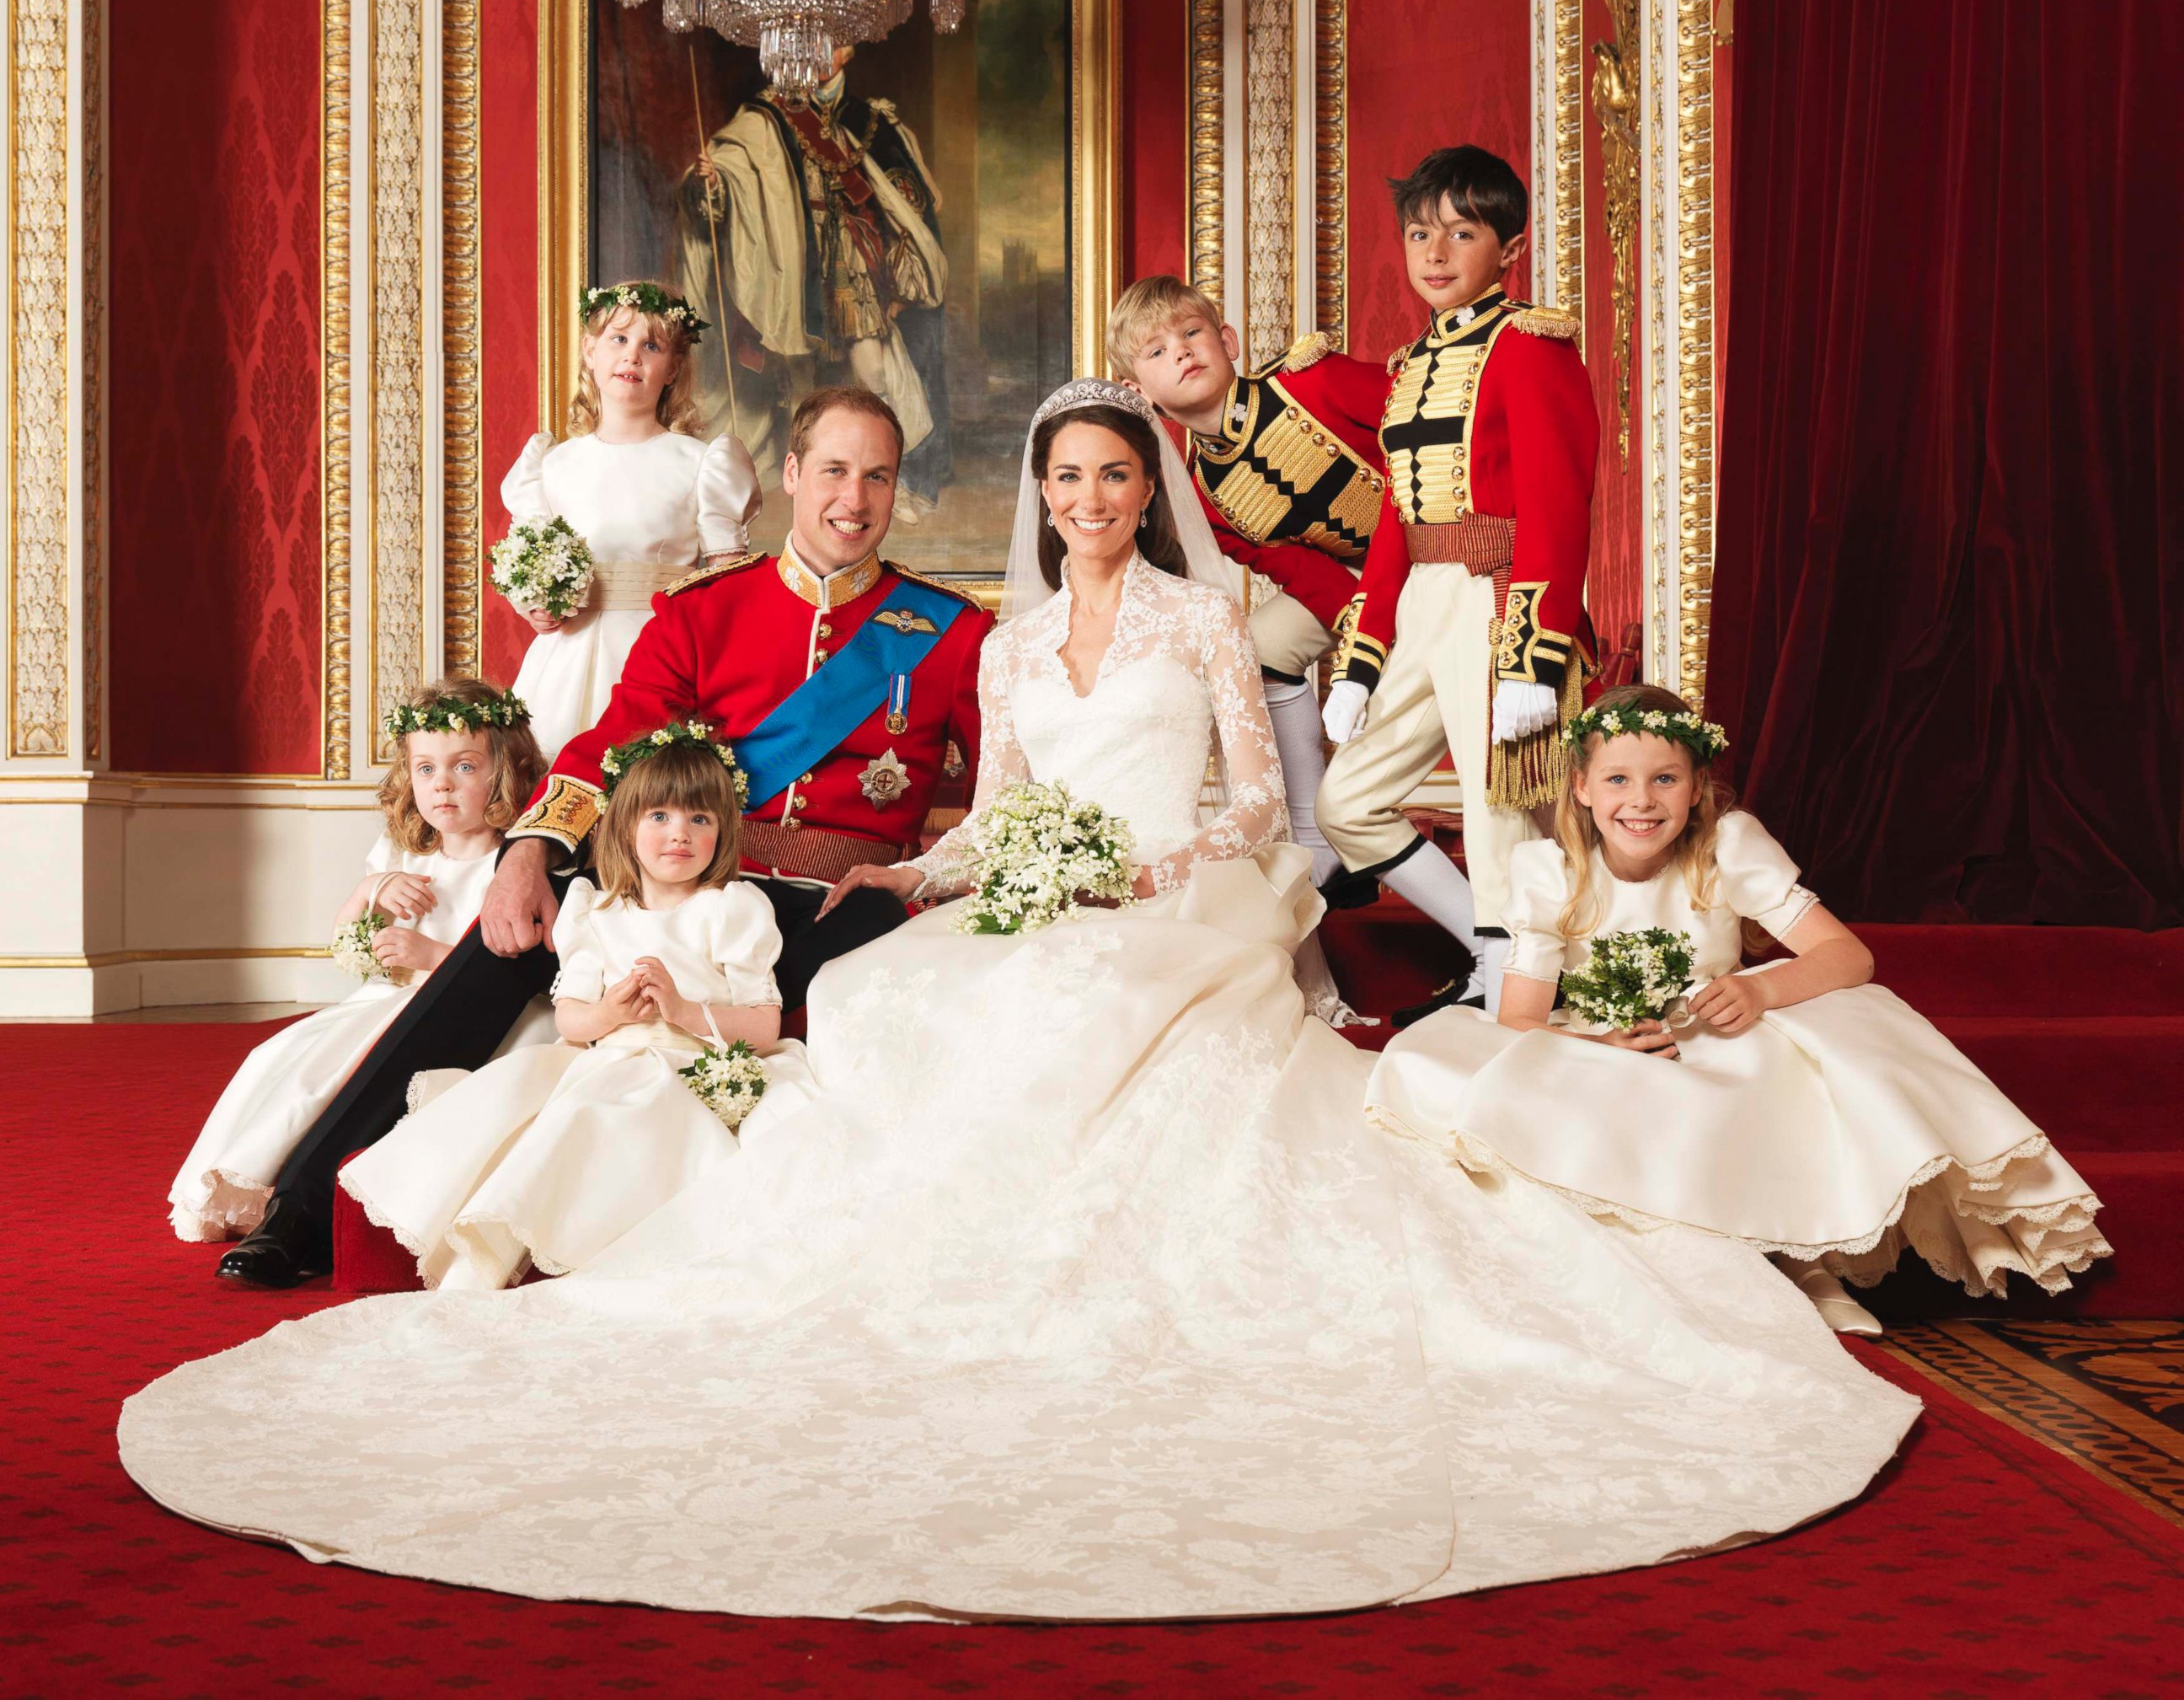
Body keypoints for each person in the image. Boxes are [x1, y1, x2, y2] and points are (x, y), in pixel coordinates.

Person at [124, 383, 1919, 1620]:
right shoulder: (843, 624)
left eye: (1111, 478)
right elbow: (932, 802)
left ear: (1137, 487)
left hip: (1114, 892)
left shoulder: (1082, 624)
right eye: (1057, 482)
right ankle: (353, 1192)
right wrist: (842, 864)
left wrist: (1098, 865)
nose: (1083, 503)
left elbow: (1228, 802)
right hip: (808, 864)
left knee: (997, 997)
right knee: (796, 977)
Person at [211, 384, 988, 1289]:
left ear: (898, 490)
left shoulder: (951, 631)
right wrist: (528, 855)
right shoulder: (705, 611)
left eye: (878, 477)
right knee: (509, 937)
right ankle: (304, 1207)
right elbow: (604, 749)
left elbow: (1005, 781)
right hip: (682, 875)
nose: (853, 499)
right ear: (790, 475)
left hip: (832, 905)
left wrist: (927, 876)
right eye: (834, 471)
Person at [1366, 685, 2112, 1334]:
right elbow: (1520, 1022)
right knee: (1448, 1062)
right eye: (1619, 779)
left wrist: (1760, 989)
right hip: (1605, 1042)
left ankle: (1806, 1264)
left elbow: (1849, 957)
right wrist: (1602, 1046)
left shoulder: (1726, 848)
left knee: (1807, 1049)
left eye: (1665, 779)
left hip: (1712, 1036)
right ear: (1584, 789)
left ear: (1695, 788)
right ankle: (1690, 1269)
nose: (1642, 800)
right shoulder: (1549, 870)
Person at [340, 728, 812, 1290]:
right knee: (534, 1107)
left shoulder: (733, 909)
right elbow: (572, 1020)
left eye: (700, 820)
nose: (679, 834)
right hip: (608, 1056)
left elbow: (763, 1025)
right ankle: (484, 1256)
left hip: (696, 1066)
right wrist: (612, 1013)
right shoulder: (598, 910)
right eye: (658, 817)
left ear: (723, 831)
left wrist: (683, 1011)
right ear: (624, 826)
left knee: (614, 1112)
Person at [1317, 145, 1598, 1022]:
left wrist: (1532, 656)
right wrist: (1361, 662)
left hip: (1500, 595)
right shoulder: (1410, 365)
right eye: (1418, 234)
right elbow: (1396, 522)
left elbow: (1561, 506)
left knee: (1497, 801)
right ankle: (1489, 949)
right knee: (1346, 800)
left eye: (1462, 233)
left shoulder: (1530, 346)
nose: (1434, 254)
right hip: (1424, 604)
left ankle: (1514, 982)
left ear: (1507, 249)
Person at [169, 680, 553, 1242]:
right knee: (283, 1057)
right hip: (388, 997)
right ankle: (265, 1189)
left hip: (474, 1015)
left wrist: (431, 956)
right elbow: (349, 944)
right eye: (425, 769)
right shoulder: (406, 855)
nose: (442, 784)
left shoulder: (514, 865)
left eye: (465, 767)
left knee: (362, 1065)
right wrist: (373, 891)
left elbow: (515, 969)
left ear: (508, 771)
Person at [1113, 274, 1395, 891]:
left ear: (1229, 340)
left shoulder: (1308, 382)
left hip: (1439, 543)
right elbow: (1300, 572)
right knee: (1253, 650)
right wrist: (1371, 625)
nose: (1181, 352)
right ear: (1139, 392)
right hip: (1357, 581)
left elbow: (1421, 436)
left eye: (1191, 334)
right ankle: (1317, 842)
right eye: (1157, 351)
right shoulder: (1205, 494)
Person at [500, 280, 760, 761]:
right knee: (556, 775)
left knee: (647, 788)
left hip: (661, 653)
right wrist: (534, 604)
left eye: (652, 345)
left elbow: (728, 586)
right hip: (568, 657)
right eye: (619, 339)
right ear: (590, 351)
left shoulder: (702, 462)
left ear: (673, 368)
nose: (632, 356)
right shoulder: (552, 465)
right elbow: (530, 561)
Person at [680, 46, 949, 507]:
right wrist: (711, 182)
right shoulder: (766, 116)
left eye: (836, 39)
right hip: (795, 268)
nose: (824, 52)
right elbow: (730, 174)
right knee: (801, 381)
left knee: (874, 372)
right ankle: (809, 483)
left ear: (850, 47)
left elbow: (905, 201)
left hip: (851, 262)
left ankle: (883, 475)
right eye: (814, 40)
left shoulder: (872, 120)